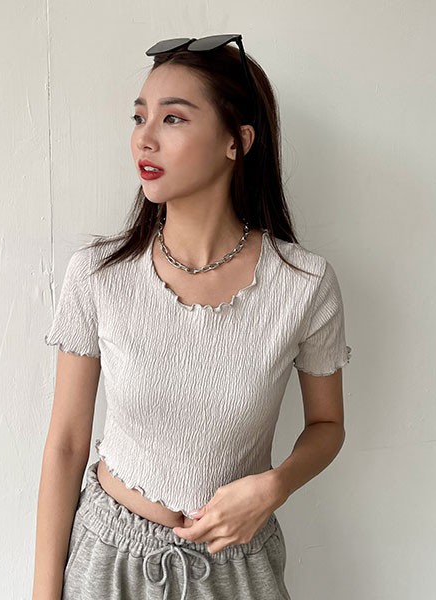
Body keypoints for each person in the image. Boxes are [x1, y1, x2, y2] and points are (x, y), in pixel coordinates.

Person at [32, 34, 352, 600]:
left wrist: (274, 486)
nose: (144, 137)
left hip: (237, 568)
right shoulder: (99, 275)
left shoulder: (303, 284)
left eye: (173, 118)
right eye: (139, 117)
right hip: (107, 564)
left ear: (237, 141)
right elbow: (66, 444)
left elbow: (327, 425)